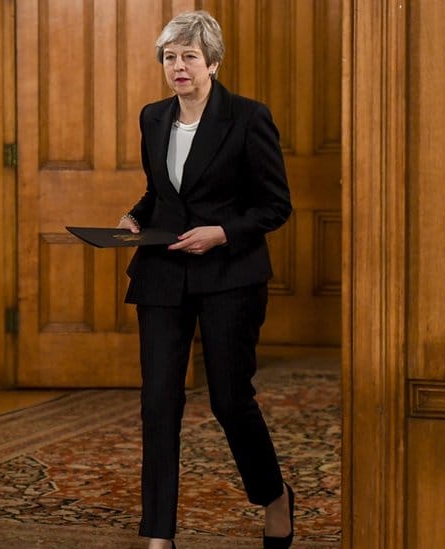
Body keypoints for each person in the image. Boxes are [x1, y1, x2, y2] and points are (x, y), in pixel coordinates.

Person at [116, 11, 294, 549]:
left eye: (189, 56)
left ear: (212, 63)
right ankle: (158, 535)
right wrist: (134, 218)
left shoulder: (249, 117)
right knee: (158, 402)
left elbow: (275, 205)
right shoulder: (153, 117)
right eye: (170, 57)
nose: (178, 66)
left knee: (229, 399)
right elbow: (159, 193)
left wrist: (222, 233)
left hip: (229, 276)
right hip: (163, 274)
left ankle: (274, 495)